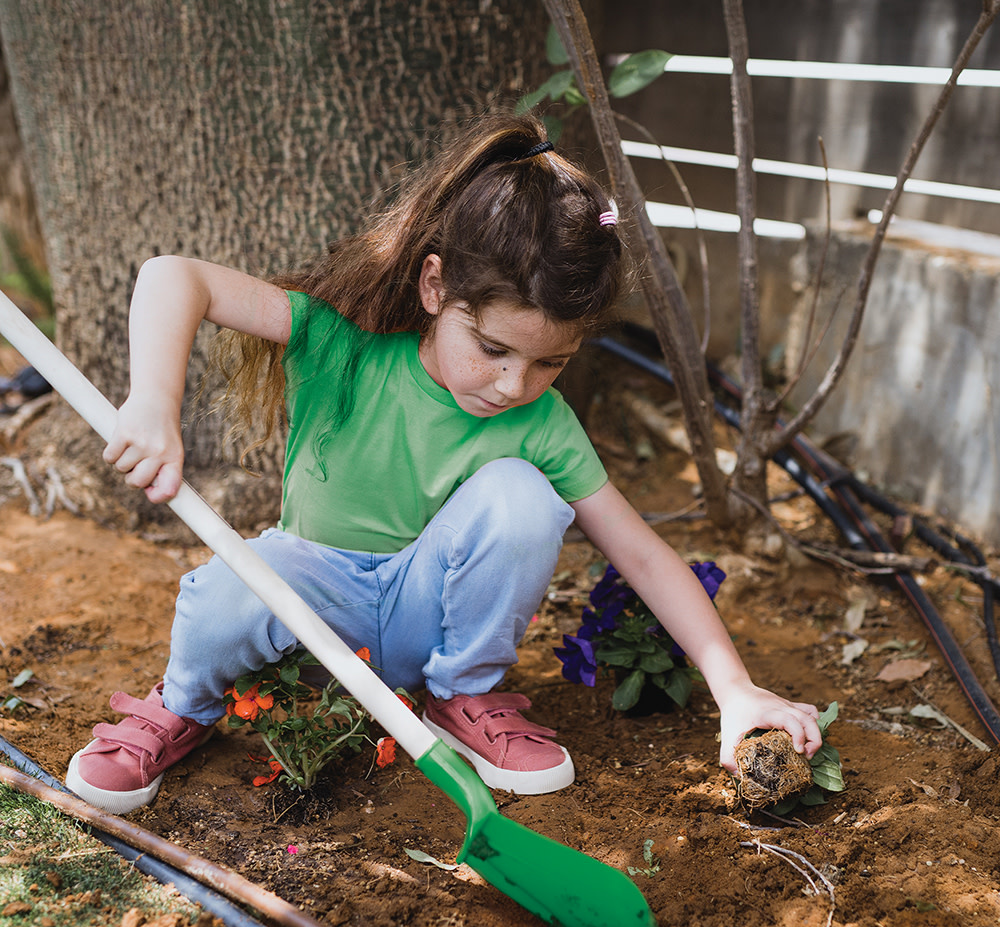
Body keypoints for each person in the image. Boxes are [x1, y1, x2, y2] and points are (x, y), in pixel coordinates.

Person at [66, 113, 822, 815]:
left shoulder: (542, 424)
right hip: (312, 609)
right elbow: (174, 276)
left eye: (548, 362)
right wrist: (154, 404)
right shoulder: (343, 345)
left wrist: (735, 688)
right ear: (436, 287)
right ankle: (184, 705)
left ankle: (464, 697)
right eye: (493, 349)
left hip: (432, 624)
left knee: (522, 495)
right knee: (237, 580)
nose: (513, 385)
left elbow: (646, 559)